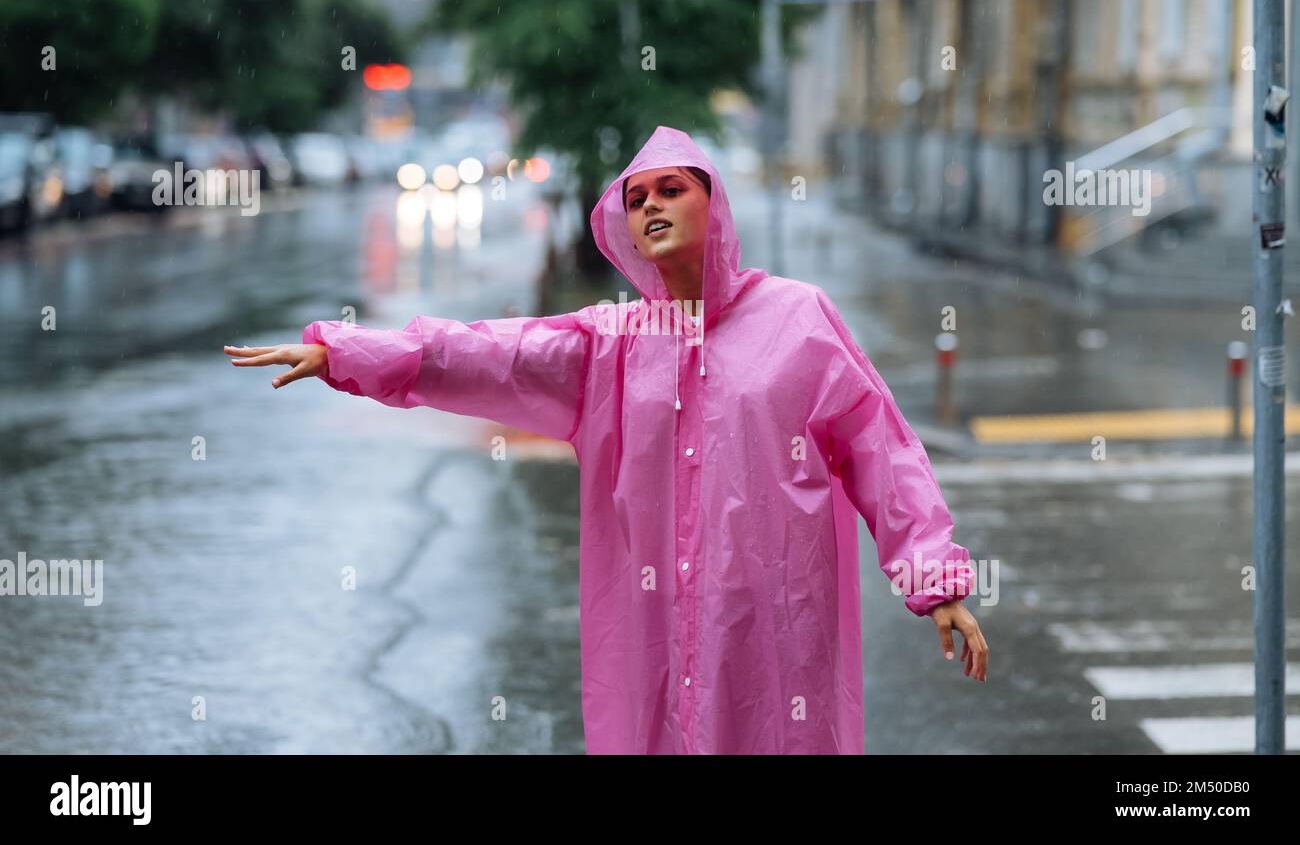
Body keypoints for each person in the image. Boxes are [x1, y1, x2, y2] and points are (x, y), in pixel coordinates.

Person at [224, 124, 988, 754]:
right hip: (651, 626)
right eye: (634, 198)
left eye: (669, 190)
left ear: (712, 204)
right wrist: (348, 354)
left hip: (776, 629)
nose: (649, 206)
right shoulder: (612, 344)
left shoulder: (799, 321)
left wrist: (935, 578)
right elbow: (484, 351)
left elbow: (879, 447)